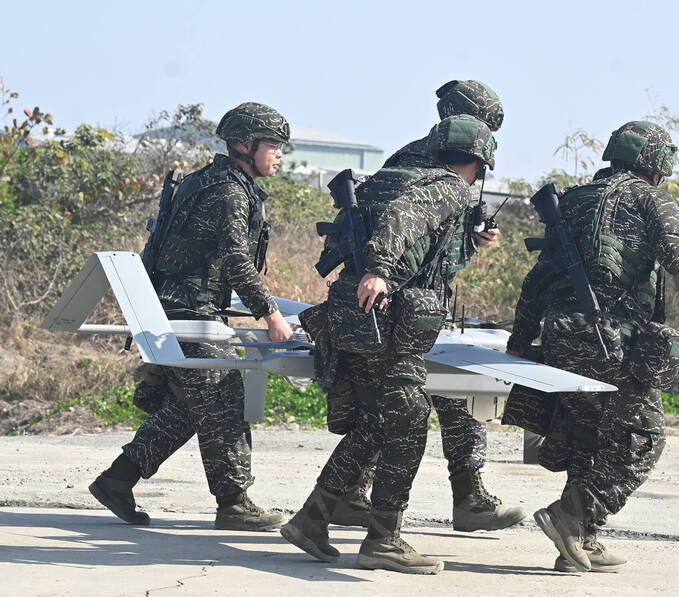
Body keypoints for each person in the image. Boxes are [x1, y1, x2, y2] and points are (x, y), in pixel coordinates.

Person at [503, 121, 679, 573]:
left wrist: (520, 339)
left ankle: (580, 544)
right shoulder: (652, 199)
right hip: (611, 341)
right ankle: (573, 515)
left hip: (560, 338)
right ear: (656, 164)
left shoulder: (572, 200)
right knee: (643, 438)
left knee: (589, 436)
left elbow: (539, 278)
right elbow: (677, 258)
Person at [283, 115, 498, 574]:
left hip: (355, 317)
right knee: (408, 419)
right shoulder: (449, 186)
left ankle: (312, 519)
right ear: (475, 164)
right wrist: (380, 268)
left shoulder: (391, 177)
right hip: (387, 319)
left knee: (379, 423)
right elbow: (404, 221)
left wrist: (469, 244)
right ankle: (383, 539)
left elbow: (418, 250)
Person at [329, 79, 526, 533]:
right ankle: (458, 502)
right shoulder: (445, 174)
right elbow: (410, 233)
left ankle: (345, 499)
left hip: (384, 304)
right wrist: (382, 268)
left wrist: (471, 241)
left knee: (397, 406)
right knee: (412, 406)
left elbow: (436, 252)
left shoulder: (407, 158)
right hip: (399, 307)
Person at [88, 102, 294, 532]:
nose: (279, 155)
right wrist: (270, 314)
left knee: (189, 406)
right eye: (273, 146)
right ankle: (234, 504)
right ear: (244, 144)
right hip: (188, 311)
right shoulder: (228, 191)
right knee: (222, 400)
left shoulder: (215, 180)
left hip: (184, 307)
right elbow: (237, 259)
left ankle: (117, 480)